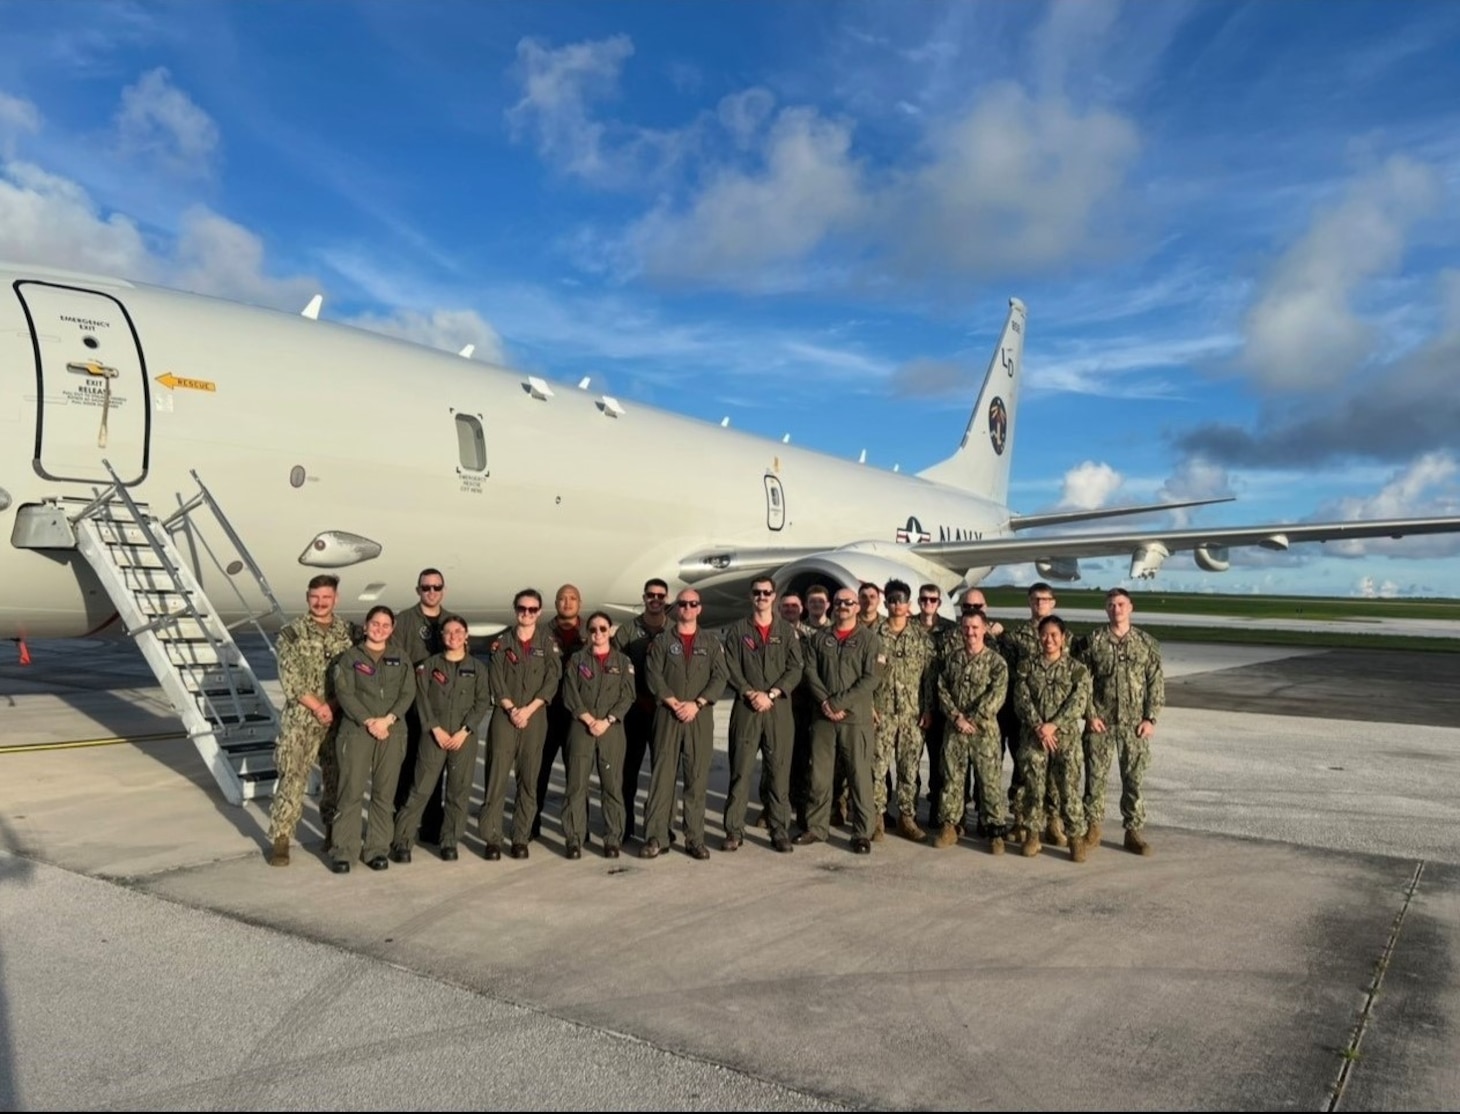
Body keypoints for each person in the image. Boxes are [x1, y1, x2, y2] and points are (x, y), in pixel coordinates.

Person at [266, 574, 358, 867]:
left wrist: (331, 706)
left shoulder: (348, 632)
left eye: (326, 598)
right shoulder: (291, 632)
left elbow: (353, 673)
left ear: (336, 599)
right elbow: (290, 679)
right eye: (315, 597)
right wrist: (319, 707)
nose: (320, 603)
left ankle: (332, 831)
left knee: (335, 778)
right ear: (307, 597)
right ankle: (281, 838)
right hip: (302, 718)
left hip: (336, 716)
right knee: (292, 777)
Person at [391, 615, 491, 863]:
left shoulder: (478, 668)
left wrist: (464, 731)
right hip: (433, 736)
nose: (453, 636)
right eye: (448, 632)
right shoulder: (428, 667)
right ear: (441, 636)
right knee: (420, 788)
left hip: (463, 738)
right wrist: (434, 728)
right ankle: (402, 840)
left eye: (458, 631)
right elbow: (421, 700)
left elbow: (481, 702)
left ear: (466, 635)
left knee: (459, 791)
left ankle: (449, 841)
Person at [1074, 588, 1164, 856]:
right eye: (1111, 605)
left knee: (1134, 779)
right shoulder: (1094, 641)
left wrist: (1150, 718)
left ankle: (1133, 831)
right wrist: (1089, 714)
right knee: (1095, 778)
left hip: (1133, 724)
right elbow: (1082, 682)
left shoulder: (1146, 643)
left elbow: (1155, 683)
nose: (1116, 609)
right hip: (1101, 723)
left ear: (1131, 607)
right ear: (1106, 609)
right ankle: (1093, 827)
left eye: (1121, 604)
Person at [641, 589, 727, 860]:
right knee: (662, 778)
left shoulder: (711, 643)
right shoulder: (663, 641)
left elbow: (719, 677)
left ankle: (695, 838)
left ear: (699, 608)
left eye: (693, 604)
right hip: (668, 715)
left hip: (698, 717)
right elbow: (652, 674)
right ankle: (657, 836)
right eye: (683, 604)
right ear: (676, 608)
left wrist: (697, 703)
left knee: (696, 779)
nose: (688, 608)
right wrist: (671, 700)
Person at [329, 606, 415, 873]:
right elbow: (345, 693)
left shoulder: (400, 658)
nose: (379, 629)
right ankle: (344, 851)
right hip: (357, 731)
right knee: (351, 792)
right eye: (375, 624)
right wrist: (368, 721)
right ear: (365, 627)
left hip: (391, 731)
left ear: (392, 629)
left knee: (384, 794)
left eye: (385, 625)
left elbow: (407, 692)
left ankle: (377, 849)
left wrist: (388, 720)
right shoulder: (350, 658)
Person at [721, 578, 804, 853]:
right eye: (757, 593)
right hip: (747, 708)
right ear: (750, 596)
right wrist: (750, 692)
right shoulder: (737, 631)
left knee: (779, 772)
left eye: (766, 593)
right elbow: (730, 666)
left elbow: (795, 668)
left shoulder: (786, 631)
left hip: (777, 708)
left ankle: (779, 830)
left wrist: (772, 693)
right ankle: (734, 831)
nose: (762, 597)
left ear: (774, 596)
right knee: (740, 772)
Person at [479, 588, 562, 860]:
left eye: (532, 609)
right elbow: (497, 679)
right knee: (496, 779)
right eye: (522, 609)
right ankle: (491, 838)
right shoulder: (501, 643)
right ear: (516, 610)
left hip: (535, 717)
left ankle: (520, 837)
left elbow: (552, 679)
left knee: (529, 780)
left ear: (539, 612)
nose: (526, 614)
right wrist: (513, 709)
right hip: (505, 716)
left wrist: (529, 709)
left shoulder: (548, 644)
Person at [799, 588, 880, 854]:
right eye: (839, 602)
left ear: (858, 607)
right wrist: (825, 702)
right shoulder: (820, 638)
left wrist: (838, 702)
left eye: (849, 602)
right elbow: (810, 671)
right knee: (819, 776)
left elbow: (871, 678)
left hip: (855, 719)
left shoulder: (869, 640)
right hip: (823, 719)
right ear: (832, 607)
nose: (843, 606)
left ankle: (861, 832)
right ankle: (816, 827)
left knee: (859, 777)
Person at [1012, 614, 1091, 862]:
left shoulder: (1076, 670)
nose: (1049, 640)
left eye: (1054, 635)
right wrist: (1039, 726)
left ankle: (1076, 838)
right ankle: (1033, 836)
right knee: (1033, 790)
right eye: (1045, 634)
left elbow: (1078, 703)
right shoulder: (1027, 667)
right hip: (1034, 738)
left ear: (1063, 638)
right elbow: (1021, 699)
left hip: (1065, 739)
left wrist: (1053, 725)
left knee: (1068, 790)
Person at [932, 609, 1009, 853]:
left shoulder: (996, 662)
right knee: (952, 779)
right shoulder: (952, 659)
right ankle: (950, 825)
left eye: (975, 627)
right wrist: (956, 716)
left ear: (984, 629)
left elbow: (996, 695)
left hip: (984, 731)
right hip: (955, 729)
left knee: (989, 781)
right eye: (966, 627)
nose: (970, 632)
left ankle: (994, 829)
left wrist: (972, 719)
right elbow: (941, 688)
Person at [560, 611, 636, 859]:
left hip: (611, 730)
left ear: (610, 630)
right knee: (576, 785)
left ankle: (612, 839)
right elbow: (570, 693)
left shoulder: (623, 662)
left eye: (603, 629)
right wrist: (589, 719)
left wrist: (608, 720)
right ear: (588, 633)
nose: (598, 634)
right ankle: (574, 838)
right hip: (581, 727)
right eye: (593, 630)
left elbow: (628, 696)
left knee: (612, 786)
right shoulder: (576, 661)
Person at [871, 579, 936, 842]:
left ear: (909, 604)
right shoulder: (874, 636)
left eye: (902, 600)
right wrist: (868, 705)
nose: (897, 604)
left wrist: (928, 708)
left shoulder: (920, 636)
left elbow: (928, 676)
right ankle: (877, 816)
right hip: (882, 713)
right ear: (886, 603)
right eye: (892, 600)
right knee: (877, 766)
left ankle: (907, 817)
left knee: (909, 768)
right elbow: (865, 674)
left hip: (912, 714)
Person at [390, 568, 449, 847]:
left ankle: (432, 824)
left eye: (436, 587)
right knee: (407, 765)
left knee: (435, 766)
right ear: (418, 590)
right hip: (412, 704)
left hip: (441, 706)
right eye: (426, 588)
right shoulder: (404, 621)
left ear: (443, 590)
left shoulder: (451, 621)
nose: (432, 592)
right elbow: (398, 660)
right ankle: (401, 824)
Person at [612, 577, 671, 842]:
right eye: (651, 596)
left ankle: (663, 824)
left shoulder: (673, 631)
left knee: (664, 771)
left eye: (660, 596)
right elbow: (614, 666)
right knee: (629, 771)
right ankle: (625, 824)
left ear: (666, 599)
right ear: (644, 598)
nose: (655, 600)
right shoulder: (627, 631)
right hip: (635, 710)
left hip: (663, 710)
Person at [1002, 583, 1060, 841]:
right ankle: (1020, 819)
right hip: (1024, 717)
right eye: (1036, 599)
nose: (1040, 604)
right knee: (1022, 769)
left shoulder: (1060, 633)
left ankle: (1052, 822)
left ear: (1053, 603)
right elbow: (1012, 678)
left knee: (1054, 773)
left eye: (1045, 599)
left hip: (1055, 719)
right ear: (1029, 602)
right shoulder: (1016, 637)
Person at [534, 583, 584, 841]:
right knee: (538, 771)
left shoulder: (591, 633)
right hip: (548, 713)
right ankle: (531, 824)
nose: (567, 602)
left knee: (577, 773)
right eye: (562, 598)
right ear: (555, 604)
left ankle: (578, 828)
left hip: (578, 715)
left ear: (580, 603)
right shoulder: (541, 634)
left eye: (572, 598)